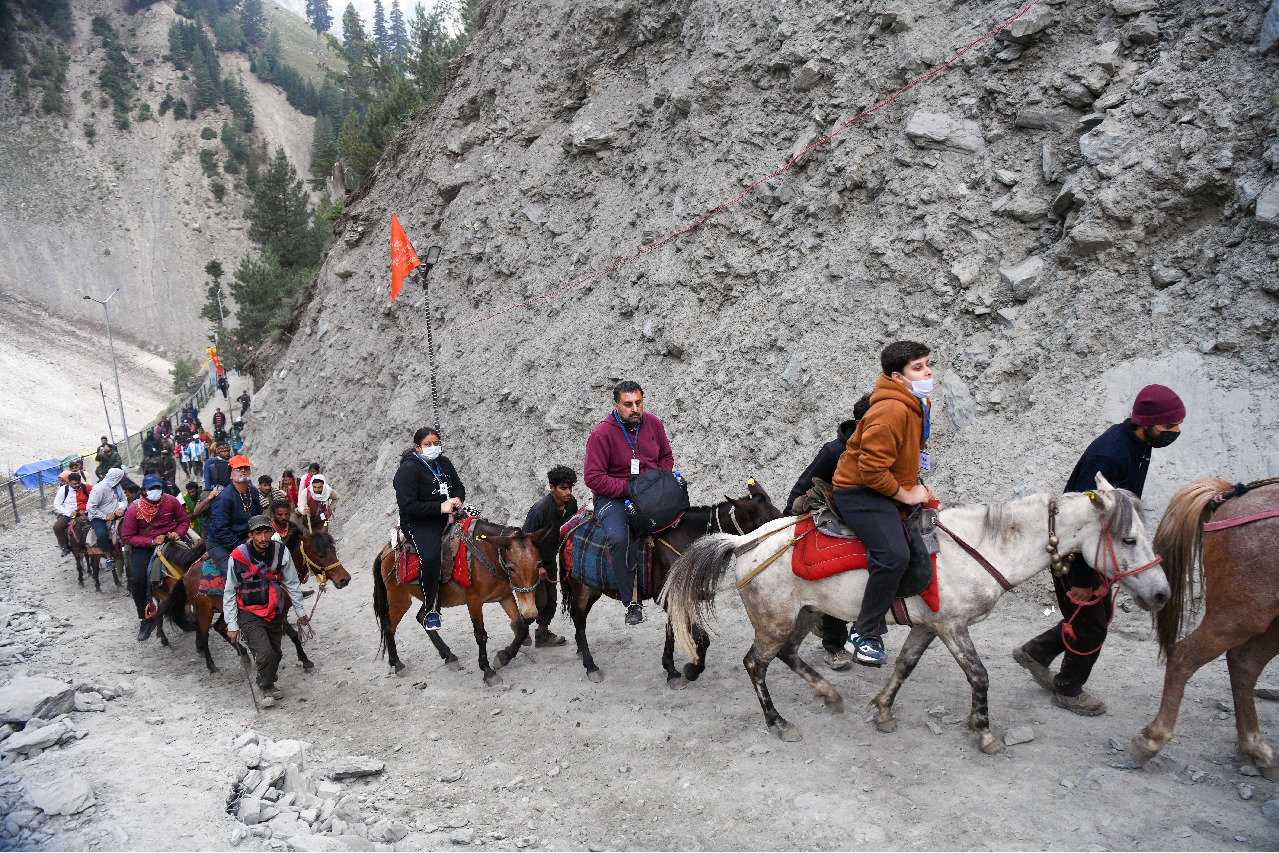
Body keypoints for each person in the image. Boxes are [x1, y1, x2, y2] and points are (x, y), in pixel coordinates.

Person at [1014, 384, 1187, 716]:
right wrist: (1080, 576)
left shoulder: (1141, 443)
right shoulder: (1109, 455)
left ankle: (1035, 653)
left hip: (1101, 548)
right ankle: (1067, 690)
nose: (1175, 432)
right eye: (1169, 426)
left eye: (1177, 425)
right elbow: (1076, 520)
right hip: (1075, 553)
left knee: (1091, 617)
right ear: (1147, 422)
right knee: (1091, 624)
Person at [833, 341, 937, 667]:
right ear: (897, 376)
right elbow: (871, 470)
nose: (927, 371)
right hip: (860, 491)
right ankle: (863, 633)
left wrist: (914, 484)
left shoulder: (915, 402)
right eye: (917, 367)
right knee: (893, 555)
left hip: (885, 486)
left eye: (927, 364)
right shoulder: (890, 411)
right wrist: (907, 496)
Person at [785, 393, 873, 670]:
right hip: (836, 522)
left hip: (868, 519)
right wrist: (787, 520)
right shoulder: (834, 451)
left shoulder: (881, 448)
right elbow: (803, 484)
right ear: (861, 422)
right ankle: (834, 646)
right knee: (840, 574)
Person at [583, 380, 675, 626]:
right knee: (620, 538)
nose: (634, 409)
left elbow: (666, 456)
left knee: (683, 523)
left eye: (638, 403)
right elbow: (593, 478)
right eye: (628, 404)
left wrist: (658, 480)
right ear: (616, 405)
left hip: (651, 493)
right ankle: (631, 600)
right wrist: (629, 489)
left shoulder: (654, 423)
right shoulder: (602, 433)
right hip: (614, 498)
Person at [224, 516, 308, 707]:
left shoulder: (281, 551)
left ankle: (268, 681)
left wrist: (300, 610)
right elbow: (229, 591)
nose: (263, 538)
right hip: (248, 611)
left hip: (274, 609)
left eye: (266, 532)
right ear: (250, 535)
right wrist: (232, 624)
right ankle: (265, 687)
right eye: (258, 533)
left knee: (276, 653)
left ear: (272, 532)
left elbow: (292, 582)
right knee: (264, 653)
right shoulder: (237, 557)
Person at [393, 428, 465, 631]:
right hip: (419, 522)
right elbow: (408, 506)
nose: (433, 447)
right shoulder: (407, 471)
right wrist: (439, 507)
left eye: (436, 443)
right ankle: (431, 608)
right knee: (431, 557)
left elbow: (459, 487)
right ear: (418, 447)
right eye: (428, 444)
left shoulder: (444, 462)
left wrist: (458, 498)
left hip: (450, 514)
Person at [119, 473, 191, 641]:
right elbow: (128, 537)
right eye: (152, 488)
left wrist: (178, 533)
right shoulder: (133, 509)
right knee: (137, 580)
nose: (156, 491)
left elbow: (184, 521)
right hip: (146, 546)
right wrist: (151, 541)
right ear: (144, 490)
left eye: (158, 487)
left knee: (199, 560)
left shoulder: (171, 501)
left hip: (172, 540)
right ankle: (145, 619)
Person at [522, 465, 578, 647]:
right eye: (563, 488)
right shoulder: (540, 510)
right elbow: (525, 541)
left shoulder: (571, 504)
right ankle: (520, 628)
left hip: (551, 559)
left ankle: (542, 634)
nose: (568, 492)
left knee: (552, 599)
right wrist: (537, 566)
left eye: (570, 487)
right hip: (533, 561)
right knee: (540, 600)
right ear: (552, 487)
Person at [205, 455, 264, 582]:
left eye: (246, 468)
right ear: (231, 475)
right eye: (238, 469)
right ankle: (231, 602)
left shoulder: (253, 492)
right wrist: (241, 545)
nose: (243, 471)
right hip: (221, 544)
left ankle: (291, 591)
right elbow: (221, 530)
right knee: (234, 577)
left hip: (248, 539)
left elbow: (258, 518)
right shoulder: (224, 498)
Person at [86, 467, 128, 572]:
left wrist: (122, 508)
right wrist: (105, 516)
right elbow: (90, 507)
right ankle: (108, 557)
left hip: (117, 513)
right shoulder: (99, 488)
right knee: (101, 534)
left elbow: (123, 499)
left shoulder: (117, 486)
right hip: (100, 517)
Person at [54, 471, 90, 556]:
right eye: (74, 483)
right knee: (57, 527)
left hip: (85, 512)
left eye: (78, 483)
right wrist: (69, 513)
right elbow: (57, 504)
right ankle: (64, 546)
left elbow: (93, 500)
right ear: (69, 482)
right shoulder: (64, 490)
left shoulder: (86, 487)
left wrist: (86, 510)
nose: (77, 485)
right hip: (68, 513)